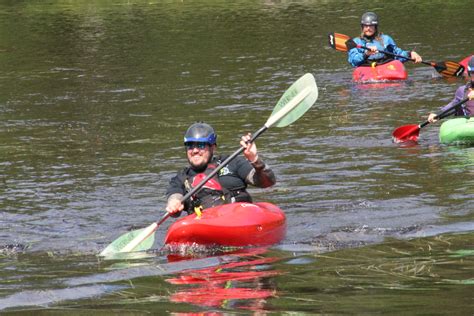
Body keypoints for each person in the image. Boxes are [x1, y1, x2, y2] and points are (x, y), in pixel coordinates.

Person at [165, 122, 276, 217]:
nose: (194, 150)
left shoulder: (232, 162)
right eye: (190, 145)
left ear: (213, 147)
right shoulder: (181, 178)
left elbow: (267, 182)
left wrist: (254, 159)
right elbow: (175, 197)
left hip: (239, 218)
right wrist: (174, 203)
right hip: (205, 226)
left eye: (200, 145)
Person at [347, 12, 422, 67]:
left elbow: (397, 54)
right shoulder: (356, 42)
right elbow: (353, 61)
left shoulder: (386, 39)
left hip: (385, 66)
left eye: (371, 26)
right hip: (366, 67)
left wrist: (410, 54)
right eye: (366, 26)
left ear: (375, 27)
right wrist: (366, 54)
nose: (368, 28)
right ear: (362, 27)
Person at [428, 56, 474, 123]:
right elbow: (453, 105)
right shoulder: (462, 90)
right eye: (473, 73)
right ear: (469, 73)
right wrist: (438, 114)